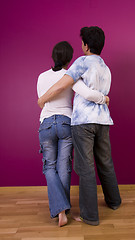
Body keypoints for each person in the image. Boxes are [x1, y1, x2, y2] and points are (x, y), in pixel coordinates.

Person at [38, 26, 121, 226]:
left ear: (85, 45)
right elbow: (97, 92)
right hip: (103, 121)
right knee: (105, 163)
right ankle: (114, 201)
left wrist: (42, 100)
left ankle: (90, 215)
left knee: (86, 168)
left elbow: (62, 85)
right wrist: (103, 98)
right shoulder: (105, 67)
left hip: (84, 122)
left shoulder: (81, 62)